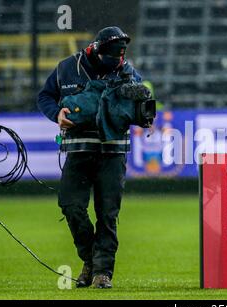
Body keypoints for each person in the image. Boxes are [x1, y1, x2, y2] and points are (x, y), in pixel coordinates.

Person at [38, 26, 144, 289]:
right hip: (78, 150)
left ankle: (102, 273)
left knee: (108, 214)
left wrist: (141, 113)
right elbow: (45, 96)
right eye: (112, 59)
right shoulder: (67, 68)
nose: (117, 63)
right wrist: (57, 114)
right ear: (95, 51)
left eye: (120, 58)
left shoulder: (128, 71)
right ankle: (91, 260)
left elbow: (141, 106)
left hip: (112, 153)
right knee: (71, 206)